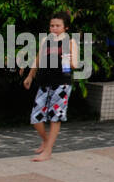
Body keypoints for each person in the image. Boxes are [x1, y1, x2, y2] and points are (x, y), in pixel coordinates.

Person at [23, 13, 79, 161]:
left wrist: (67, 60)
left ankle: (47, 151)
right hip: (44, 83)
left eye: (58, 26)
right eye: (52, 25)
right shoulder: (45, 41)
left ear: (65, 27)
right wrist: (30, 76)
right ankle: (46, 142)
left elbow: (75, 65)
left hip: (61, 84)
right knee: (36, 117)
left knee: (55, 118)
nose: (54, 28)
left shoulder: (70, 42)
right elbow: (38, 59)